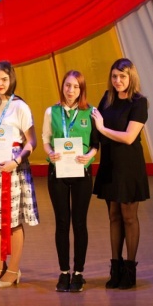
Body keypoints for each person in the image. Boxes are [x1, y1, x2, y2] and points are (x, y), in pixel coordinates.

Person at [0, 61, 39, 288]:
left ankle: (13, 270)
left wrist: (17, 160)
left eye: (3, 79)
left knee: (13, 221)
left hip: (12, 167)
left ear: (11, 79)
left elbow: (32, 141)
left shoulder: (20, 106)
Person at [91, 58, 150, 290]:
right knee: (114, 216)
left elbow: (129, 137)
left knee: (129, 217)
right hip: (109, 164)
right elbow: (93, 127)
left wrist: (102, 128)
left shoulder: (139, 102)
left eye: (122, 76)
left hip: (129, 166)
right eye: (114, 76)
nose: (117, 80)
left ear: (131, 77)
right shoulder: (107, 98)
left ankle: (130, 270)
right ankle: (115, 268)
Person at [42, 70, 98, 293]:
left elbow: (96, 144)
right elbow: (45, 139)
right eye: (67, 85)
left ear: (81, 89)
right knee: (62, 222)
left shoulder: (91, 112)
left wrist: (89, 156)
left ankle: (79, 273)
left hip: (82, 172)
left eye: (75, 86)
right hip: (58, 173)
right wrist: (50, 153)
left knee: (80, 223)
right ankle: (64, 272)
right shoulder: (51, 111)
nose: (71, 90)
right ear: (62, 87)